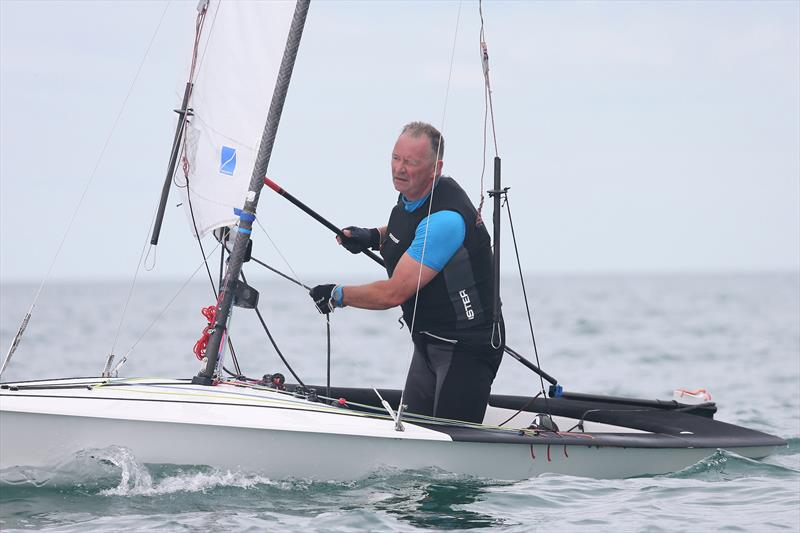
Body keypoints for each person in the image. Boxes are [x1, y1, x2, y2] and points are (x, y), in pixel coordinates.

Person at [309, 121, 503, 424]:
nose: (400, 169)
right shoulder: (413, 196)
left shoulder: (445, 220)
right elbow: (410, 230)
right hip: (428, 343)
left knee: (446, 458)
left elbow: (393, 293)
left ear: (435, 168)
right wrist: (373, 236)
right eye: (396, 158)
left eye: (411, 162)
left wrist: (338, 294)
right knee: (415, 437)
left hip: (466, 348)